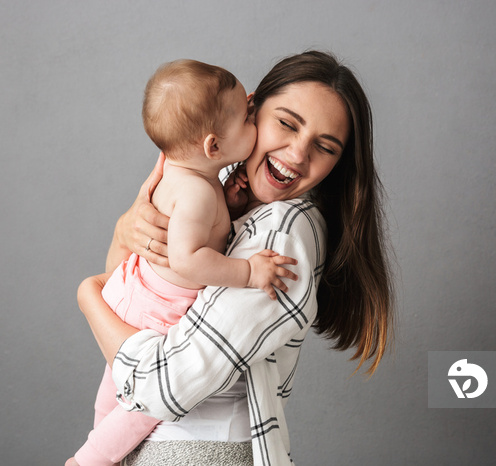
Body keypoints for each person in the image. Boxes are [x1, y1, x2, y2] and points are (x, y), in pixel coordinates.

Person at [77, 51, 396, 466]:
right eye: (286, 123)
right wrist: (127, 229)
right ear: (251, 109)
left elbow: (159, 384)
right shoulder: (219, 186)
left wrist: (88, 294)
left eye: (324, 146)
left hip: (195, 449)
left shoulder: (282, 234)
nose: (298, 155)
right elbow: (133, 285)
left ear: (338, 164)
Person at [69, 60, 298, 466]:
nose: (253, 116)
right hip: (159, 310)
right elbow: (187, 259)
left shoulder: (184, 172)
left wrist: (227, 202)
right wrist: (248, 271)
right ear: (213, 146)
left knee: (113, 392)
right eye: (247, 118)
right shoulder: (196, 192)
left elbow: (196, 228)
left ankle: (100, 447)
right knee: (139, 407)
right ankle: (89, 462)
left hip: (133, 287)